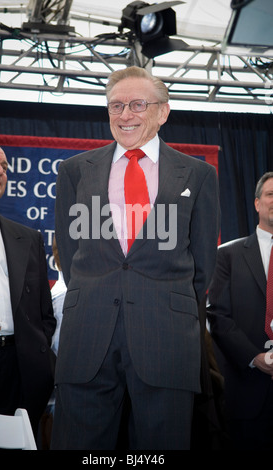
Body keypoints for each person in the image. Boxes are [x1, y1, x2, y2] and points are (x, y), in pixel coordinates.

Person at [51, 66, 220, 450]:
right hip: (88, 333)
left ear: (163, 112)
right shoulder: (75, 171)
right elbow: (71, 249)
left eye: (137, 104)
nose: (124, 115)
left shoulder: (197, 174)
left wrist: (170, 307)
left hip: (167, 336)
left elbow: (202, 263)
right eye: (115, 106)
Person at [0, 138, 56, 438]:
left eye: (4, 166)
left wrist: (38, 359)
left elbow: (43, 314)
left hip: (18, 372)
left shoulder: (28, 238)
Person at [207, 172, 273, 450]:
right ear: (257, 203)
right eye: (271, 194)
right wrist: (254, 357)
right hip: (247, 392)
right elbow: (218, 317)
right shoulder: (227, 256)